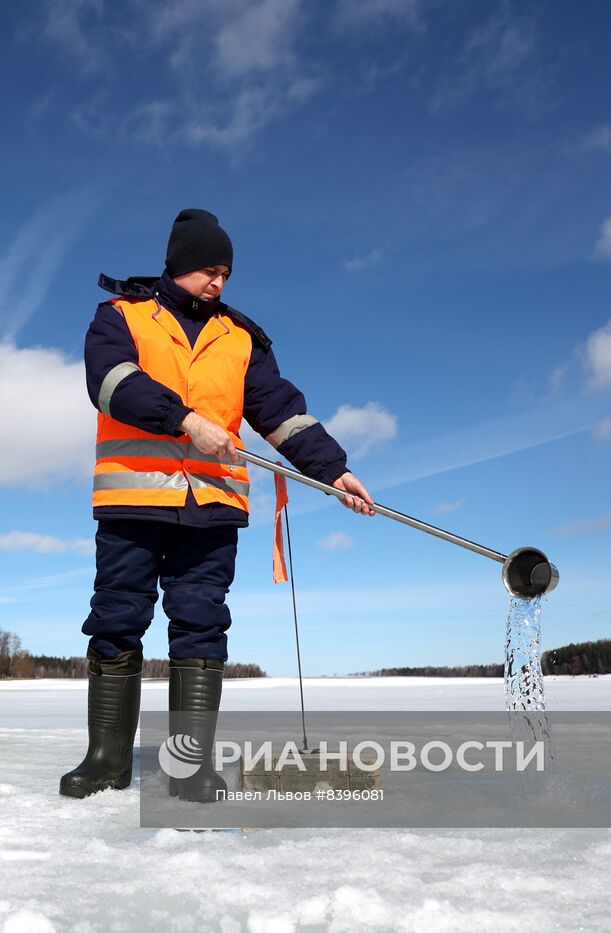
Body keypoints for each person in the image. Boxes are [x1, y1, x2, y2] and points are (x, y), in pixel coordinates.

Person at [59, 208, 375, 802]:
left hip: (213, 506)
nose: (219, 283)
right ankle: (105, 760)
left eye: (226, 272)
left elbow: (281, 411)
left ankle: (190, 765)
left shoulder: (241, 338)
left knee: (201, 625)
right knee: (117, 618)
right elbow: (109, 382)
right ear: (178, 264)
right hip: (134, 501)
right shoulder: (122, 318)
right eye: (209, 270)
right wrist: (184, 421)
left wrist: (336, 471)